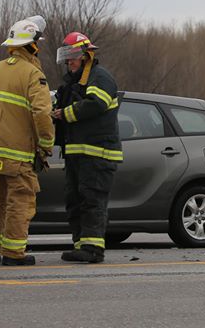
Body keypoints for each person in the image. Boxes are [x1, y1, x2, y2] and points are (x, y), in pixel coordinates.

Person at [0, 15, 55, 266]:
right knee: (21, 203)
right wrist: (46, 144)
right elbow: (42, 113)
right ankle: (13, 253)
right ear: (32, 46)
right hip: (20, 157)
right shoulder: (33, 74)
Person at [52, 31, 122, 263]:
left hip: (97, 154)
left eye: (73, 56)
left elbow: (96, 104)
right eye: (66, 57)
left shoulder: (100, 77)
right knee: (75, 201)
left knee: (92, 200)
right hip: (77, 155)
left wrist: (65, 113)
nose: (69, 62)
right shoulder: (74, 83)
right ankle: (81, 245)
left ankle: (93, 249)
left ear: (86, 55)